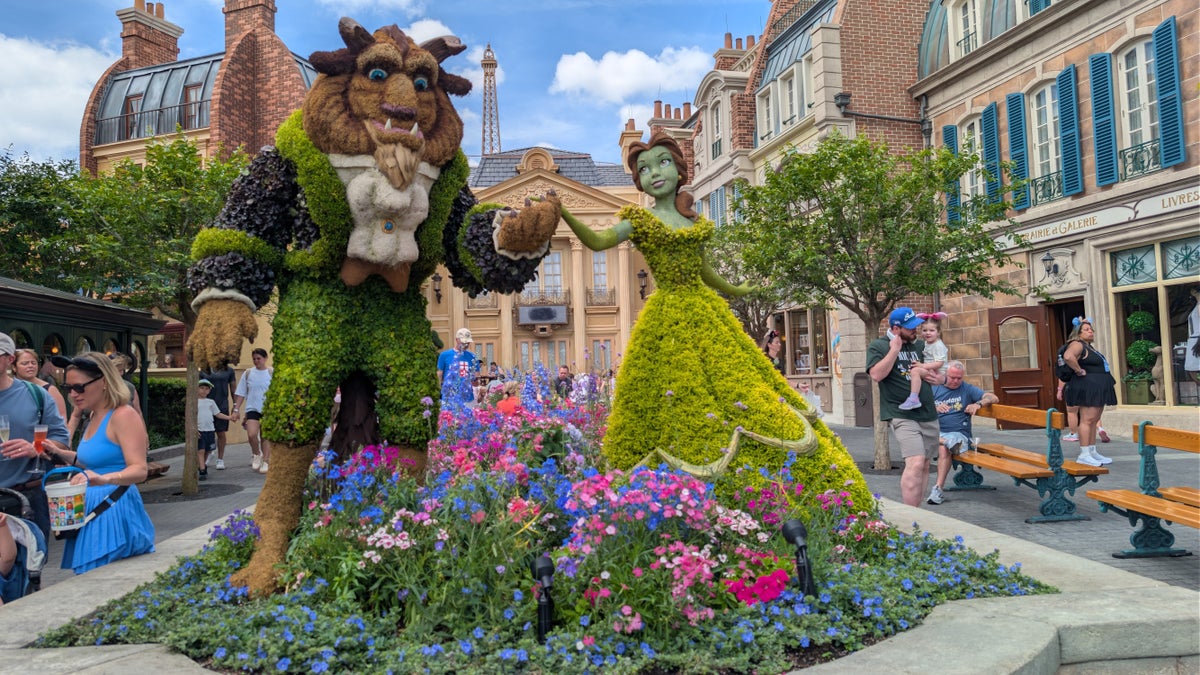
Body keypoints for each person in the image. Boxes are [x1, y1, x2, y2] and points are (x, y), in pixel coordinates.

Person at [552, 132, 868, 508]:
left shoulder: (695, 224)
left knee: (737, 387)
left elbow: (705, 272)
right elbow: (599, 240)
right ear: (639, 180)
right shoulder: (638, 220)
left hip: (706, 311)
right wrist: (564, 212)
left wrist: (737, 289)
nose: (655, 173)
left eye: (663, 163)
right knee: (675, 389)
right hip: (668, 316)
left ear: (680, 170)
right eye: (644, 169)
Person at [49, 352, 156, 574]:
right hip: (93, 506)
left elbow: (139, 469)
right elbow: (93, 462)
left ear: (104, 382)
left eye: (79, 387)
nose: (73, 394)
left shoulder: (123, 415)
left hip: (114, 509)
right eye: (68, 388)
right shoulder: (94, 415)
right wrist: (54, 452)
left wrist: (103, 478)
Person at [868, 307, 944, 508]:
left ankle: (917, 514)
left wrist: (941, 378)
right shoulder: (879, 346)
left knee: (926, 464)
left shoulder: (920, 346)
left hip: (928, 413)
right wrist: (895, 349)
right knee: (916, 461)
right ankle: (910, 515)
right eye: (910, 328)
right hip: (901, 413)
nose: (916, 331)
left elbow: (940, 369)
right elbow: (876, 375)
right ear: (896, 328)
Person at [0, 332, 70, 539]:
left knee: (30, 567)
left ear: (9, 359)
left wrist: (36, 448)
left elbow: (62, 440)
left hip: (26, 498)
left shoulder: (36, 395)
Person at [927, 361, 998, 505]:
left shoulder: (967, 389)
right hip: (938, 432)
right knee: (938, 441)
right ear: (945, 375)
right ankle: (947, 443)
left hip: (959, 434)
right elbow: (919, 408)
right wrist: (934, 408)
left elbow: (993, 398)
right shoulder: (935, 389)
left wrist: (978, 404)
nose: (955, 381)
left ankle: (938, 489)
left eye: (959, 378)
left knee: (943, 448)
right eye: (952, 377)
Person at [1060, 317, 1115, 467]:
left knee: (1093, 420)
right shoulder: (1077, 344)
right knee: (1087, 420)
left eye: (1091, 329)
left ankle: (1092, 451)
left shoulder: (1089, 347)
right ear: (1078, 333)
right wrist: (1079, 370)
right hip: (1088, 387)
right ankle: (1084, 454)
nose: (1091, 331)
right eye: (1086, 329)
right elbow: (1068, 356)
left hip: (1096, 387)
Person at [234, 348, 273, 474]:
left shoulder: (271, 372)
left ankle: (266, 461)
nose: (256, 361)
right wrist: (236, 409)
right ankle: (257, 454)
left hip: (268, 409)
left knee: (265, 436)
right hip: (252, 408)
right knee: (252, 434)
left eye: (259, 358)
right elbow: (241, 393)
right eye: (254, 359)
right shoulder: (248, 373)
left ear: (265, 358)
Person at [899, 313, 948, 411]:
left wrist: (922, 365)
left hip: (937, 373)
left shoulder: (938, 345)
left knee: (915, 371)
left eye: (931, 330)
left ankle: (913, 398)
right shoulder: (926, 343)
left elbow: (939, 363)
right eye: (924, 330)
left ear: (938, 332)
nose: (928, 333)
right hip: (931, 371)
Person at [200, 363, 237, 470]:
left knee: (221, 432)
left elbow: (233, 390)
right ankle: (208, 454)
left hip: (222, 405)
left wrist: (235, 406)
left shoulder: (229, 370)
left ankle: (220, 459)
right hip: (205, 405)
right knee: (205, 432)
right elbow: (197, 387)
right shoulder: (204, 370)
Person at [12, 349, 67, 420]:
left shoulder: (50, 390)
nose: (30, 366)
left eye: (33, 363)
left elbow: (62, 419)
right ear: (14, 367)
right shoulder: (8, 389)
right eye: (25, 363)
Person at [196, 379, 232, 481]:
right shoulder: (194, 402)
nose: (204, 391)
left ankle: (201, 464)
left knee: (208, 449)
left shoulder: (211, 402)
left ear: (209, 390)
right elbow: (190, 417)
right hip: (200, 430)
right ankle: (202, 470)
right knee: (201, 450)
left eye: (206, 389)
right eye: (201, 388)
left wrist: (229, 418)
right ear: (197, 389)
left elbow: (217, 414)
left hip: (210, 430)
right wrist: (194, 429)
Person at [437, 329, 480, 408]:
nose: (466, 344)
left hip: (467, 398)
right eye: (464, 342)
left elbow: (476, 381)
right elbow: (439, 375)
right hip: (449, 398)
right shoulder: (444, 355)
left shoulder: (473, 357)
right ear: (457, 340)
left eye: (468, 342)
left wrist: (475, 380)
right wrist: (438, 392)